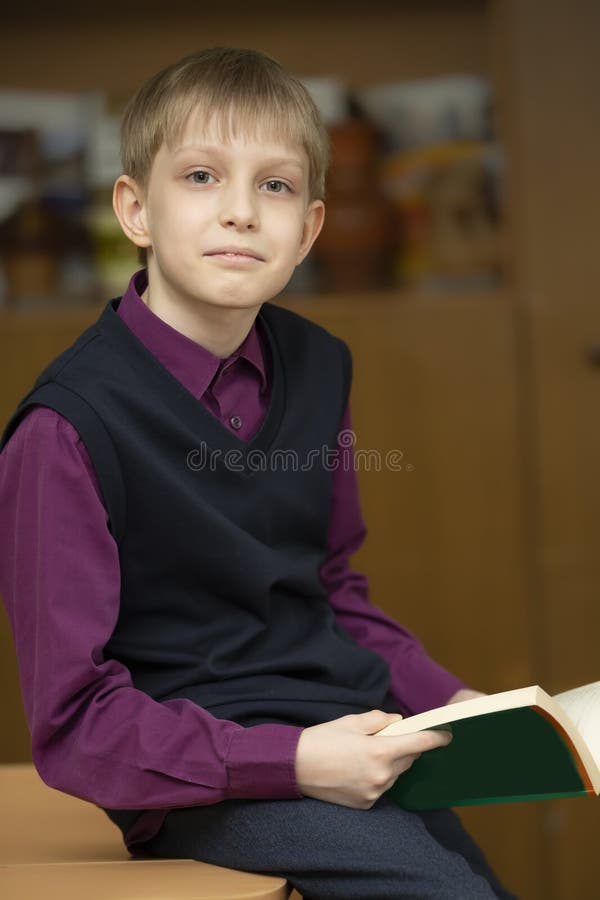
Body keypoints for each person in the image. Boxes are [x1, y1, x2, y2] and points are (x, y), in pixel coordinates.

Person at [0, 48, 516, 899]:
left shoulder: (319, 366)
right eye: (202, 176)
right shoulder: (64, 428)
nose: (240, 212)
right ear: (135, 209)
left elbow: (331, 589)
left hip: (345, 724)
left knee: (483, 884)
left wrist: (462, 703)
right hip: (197, 770)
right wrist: (297, 760)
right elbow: (75, 725)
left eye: (274, 186)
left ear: (309, 228)